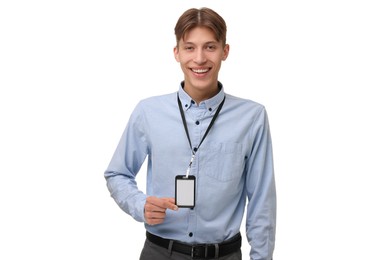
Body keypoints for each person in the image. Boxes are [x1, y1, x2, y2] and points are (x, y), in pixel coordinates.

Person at [104, 7, 276, 260]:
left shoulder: (252, 117)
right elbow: (117, 173)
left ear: (224, 51)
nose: (199, 59)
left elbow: (262, 199)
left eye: (210, 47)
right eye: (189, 47)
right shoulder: (148, 112)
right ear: (176, 53)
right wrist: (140, 205)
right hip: (160, 253)